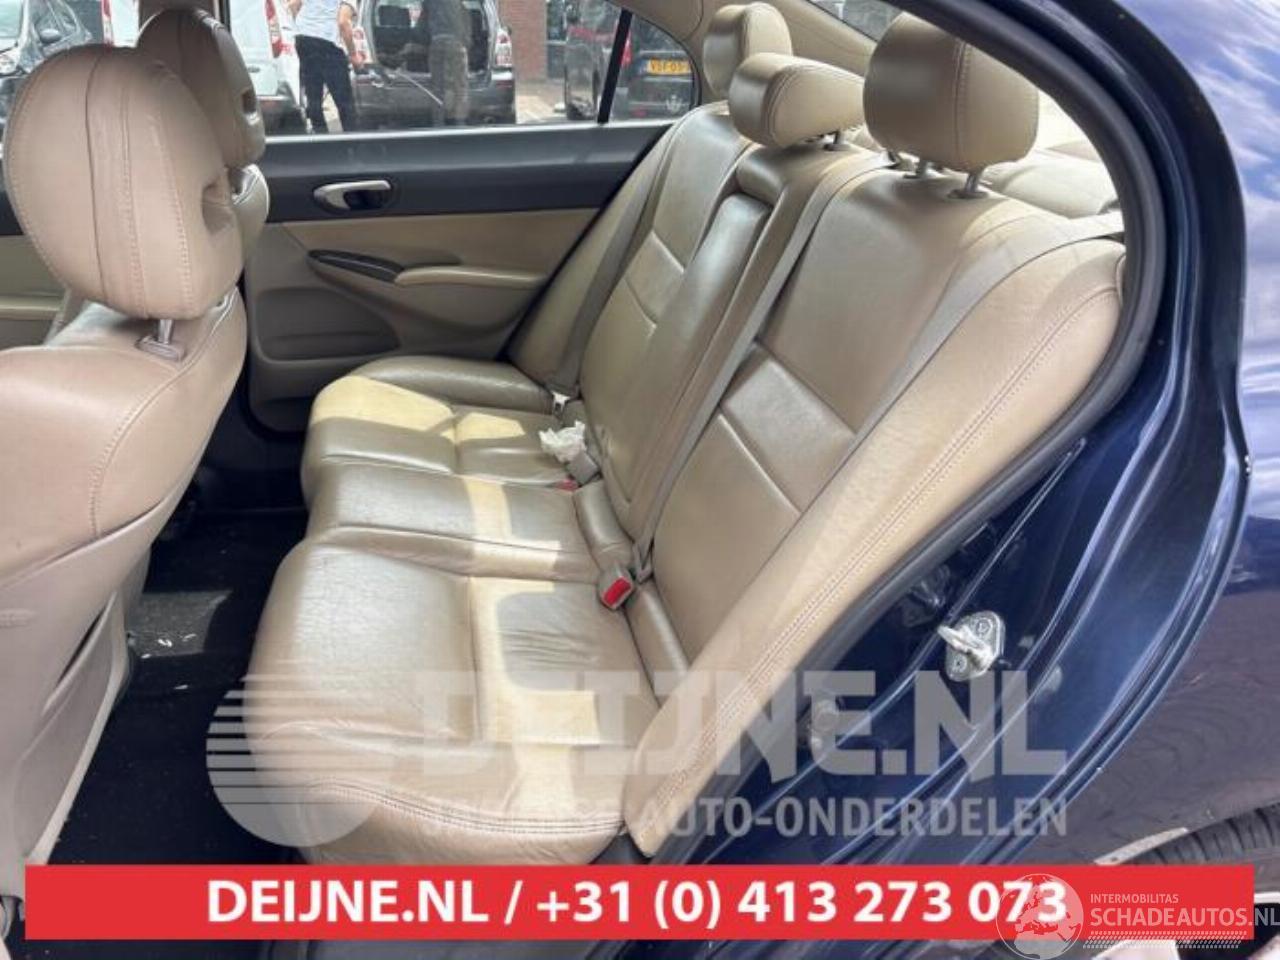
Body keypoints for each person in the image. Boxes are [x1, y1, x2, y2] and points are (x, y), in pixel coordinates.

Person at [290, 0, 364, 133]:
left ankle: (320, 137)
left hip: (303, 38)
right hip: (327, 43)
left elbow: (294, 4)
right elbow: (343, 22)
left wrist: (305, 27)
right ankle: (352, 139)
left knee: (313, 94)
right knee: (344, 100)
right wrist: (353, 55)